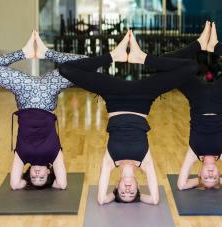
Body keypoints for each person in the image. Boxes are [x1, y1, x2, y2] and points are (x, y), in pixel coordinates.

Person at [58, 30, 198, 204]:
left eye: (122, 194)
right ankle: (143, 58)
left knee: (65, 69)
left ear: (116, 186)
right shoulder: (144, 162)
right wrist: (141, 199)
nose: (127, 191)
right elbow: (154, 200)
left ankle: (113, 55)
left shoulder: (111, 161)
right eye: (132, 194)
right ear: (139, 187)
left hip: (113, 95)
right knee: (191, 68)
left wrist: (112, 197)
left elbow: (101, 199)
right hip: (144, 97)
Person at [0, 31, 87, 190]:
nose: (36, 174)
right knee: (89, 64)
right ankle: (47, 52)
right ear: (49, 172)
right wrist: (47, 186)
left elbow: (15, 184)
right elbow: (62, 184)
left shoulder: (22, 156)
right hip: (48, 91)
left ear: (28, 174)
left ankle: (24, 53)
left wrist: (26, 183)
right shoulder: (54, 156)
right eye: (41, 177)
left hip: (24, 91)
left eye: (33, 177)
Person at [162, 21, 222, 190]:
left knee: (162, 63)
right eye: (213, 178)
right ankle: (216, 46)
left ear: (199, 174)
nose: (210, 175)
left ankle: (198, 44)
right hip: (221, 97)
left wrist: (199, 182)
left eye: (205, 178)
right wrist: (220, 182)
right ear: (219, 174)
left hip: (197, 97)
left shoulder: (194, 153)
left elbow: (181, 185)